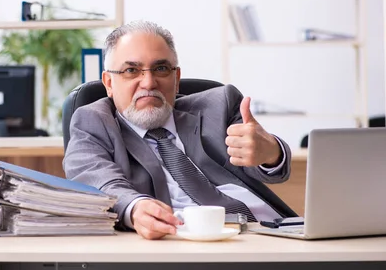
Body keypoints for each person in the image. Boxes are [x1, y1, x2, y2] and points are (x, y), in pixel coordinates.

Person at [63, 20, 296, 240]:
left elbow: (272, 166)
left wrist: (271, 152)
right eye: (132, 71)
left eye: (161, 68)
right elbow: (96, 181)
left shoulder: (219, 106)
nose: (148, 82)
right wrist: (134, 208)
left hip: (268, 233)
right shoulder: (92, 121)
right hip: (179, 244)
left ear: (176, 78)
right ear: (109, 83)